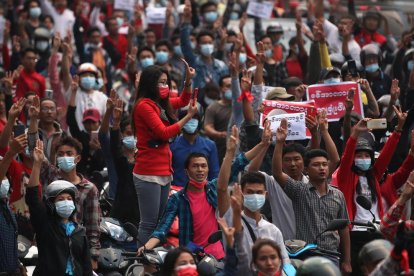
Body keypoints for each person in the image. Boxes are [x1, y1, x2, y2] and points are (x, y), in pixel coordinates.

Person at [272, 119, 351, 272]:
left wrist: (347, 260)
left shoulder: (338, 194)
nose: (321, 168)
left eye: (324, 164)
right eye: (316, 165)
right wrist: (280, 143)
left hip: (332, 255)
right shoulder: (298, 190)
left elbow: (344, 229)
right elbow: (276, 173)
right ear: (306, 169)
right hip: (305, 254)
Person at [131, 62, 196, 246]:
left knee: (160, 224)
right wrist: (188, 117)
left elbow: (183, 100)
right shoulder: (144, 106)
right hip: (148, 172)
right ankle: (141, 263)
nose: (165, 86)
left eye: (166, 82)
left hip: (164, 172)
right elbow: (164, 133)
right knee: (149, 223)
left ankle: (155, 262)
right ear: (150, 84)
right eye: (160, 82)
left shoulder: (160, 103)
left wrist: (188, 82)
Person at [334, 113, 406, 274]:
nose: (363, 158)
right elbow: (345, 158)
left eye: (367, 155)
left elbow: (386, 156)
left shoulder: (374, 176)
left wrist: (398, 130)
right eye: (359, 156)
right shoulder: (345, 177)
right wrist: (354, 134)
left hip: (376, 230)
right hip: (354, 235)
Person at [217, 126, 290, 270]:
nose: (255, 195)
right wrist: (230, 152)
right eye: (250, 192)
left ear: (265, 195)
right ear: (241, 194)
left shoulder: (273, 230)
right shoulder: (231, 217)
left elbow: (285, 265)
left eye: (258, 192)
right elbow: (221, 188)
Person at [26, 139, 92, 275]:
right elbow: (32, 198)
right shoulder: (45, 225)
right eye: (60, 199)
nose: (66, 202)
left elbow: (86, 267)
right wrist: (37, 164)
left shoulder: (79, 232)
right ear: (52, 204)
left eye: (69, 199)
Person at [39, 136, 101, 269]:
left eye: (69, 154)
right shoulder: (51, 176)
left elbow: (93, 226)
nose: (64, 157)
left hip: (75, 245)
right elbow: (36, 151)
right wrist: (33, 119)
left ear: (77, 158)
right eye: (60, 154)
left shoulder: (89, 189)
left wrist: (93, 255)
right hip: (50, 244)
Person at [171, 104, 219, 187]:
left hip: (203, 194)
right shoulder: (172, 146)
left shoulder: (210, 146)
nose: (190, 120)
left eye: (194, 118)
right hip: (177, 194)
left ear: (200, 120)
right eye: (187, 118)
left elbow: (214, 175)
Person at [204, 75, 232, 164]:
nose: (231, 89)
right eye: (228, 86)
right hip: (220, 150)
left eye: (233, 86)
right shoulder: (213, 108)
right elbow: (208, 127)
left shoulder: (240, 106)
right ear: (221, 88)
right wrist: (220, 134)